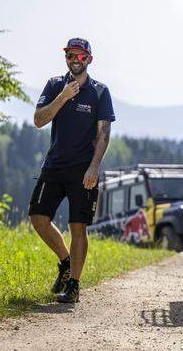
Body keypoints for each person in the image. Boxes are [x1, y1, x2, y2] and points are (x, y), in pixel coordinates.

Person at [29, 37, 115, 303]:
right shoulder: (55, 85)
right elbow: (39, 120)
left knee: (78, 227)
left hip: (83, 170)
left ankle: (74, 286)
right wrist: (63, 97)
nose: (74, 60)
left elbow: (104, 134)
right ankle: (65, 262)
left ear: (89, 59)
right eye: (70, 56)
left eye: (79, 56)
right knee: (38, 217)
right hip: (54, 165)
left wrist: (94, 167)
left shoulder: (100, 92)